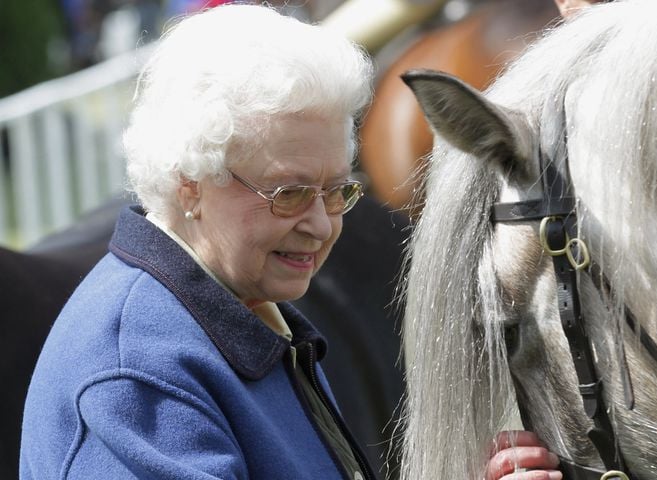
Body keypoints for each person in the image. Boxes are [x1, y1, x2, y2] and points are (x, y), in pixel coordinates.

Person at [18, 3, 560, 479]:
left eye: (336, 192)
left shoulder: (243, 305)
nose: (322, 226)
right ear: (190, 184)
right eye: (289, 194)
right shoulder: (134, 379)